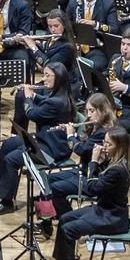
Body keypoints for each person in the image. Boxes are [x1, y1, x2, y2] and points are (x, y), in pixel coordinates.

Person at [46, 126, 130, 260]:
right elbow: (99, 182)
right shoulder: (115, 162)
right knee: (64, 218)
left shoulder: (117, 170)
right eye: (104, 142)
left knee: (68, 230)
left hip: (112, 218)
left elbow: (91, 189)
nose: (104, 147)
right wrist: (99, 163)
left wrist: (94, 162)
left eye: (109, 144)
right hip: (105, 210)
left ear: (119, 147)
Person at [0, 62, 74, 215]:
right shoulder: (58, 94)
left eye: (48, 75)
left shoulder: (57, 101)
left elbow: (32, 114)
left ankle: (7, 202)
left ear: (59, 78)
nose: (44, 78)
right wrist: (34, 95)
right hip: (44, 140)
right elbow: (45, 102)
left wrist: (27, 98)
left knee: (11, 159)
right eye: (44, 74)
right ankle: (1, 185)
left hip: (51, 149)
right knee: (8, 144)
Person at [44, 93, 119, 225]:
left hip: (91, 176)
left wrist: (70, 136)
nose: (89, 115)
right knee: (48, 179)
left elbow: (82, 150)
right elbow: (86, 145)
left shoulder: (104, 131)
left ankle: (67, 219)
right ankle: (51, 216)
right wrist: (73, 134)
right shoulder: (95, 126)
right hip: (82, 169)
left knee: (56, 188)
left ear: (102, 111)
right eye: (87, 111)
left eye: (92, 111)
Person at [67, 0, 120, 71]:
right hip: (76, 47)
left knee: (95, 66)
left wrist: (95, 24)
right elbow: (66, 23)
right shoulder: (74, 2)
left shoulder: (108, 4)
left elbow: (114, 29)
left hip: (96, 48)